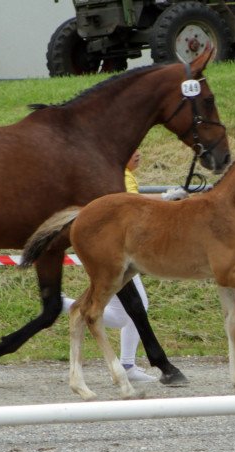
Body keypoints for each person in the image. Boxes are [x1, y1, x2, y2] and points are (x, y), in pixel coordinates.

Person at [62, 149, 157, 383]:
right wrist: (170, 199)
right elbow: (139, 207)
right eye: (132, 150)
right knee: (133, 308)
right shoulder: (122, 177)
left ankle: (61, 305)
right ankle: (127, 364)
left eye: (139, 149)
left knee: (120, 313)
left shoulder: (126, 175)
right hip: (120, 252)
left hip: (123, 250)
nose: (138, 154)